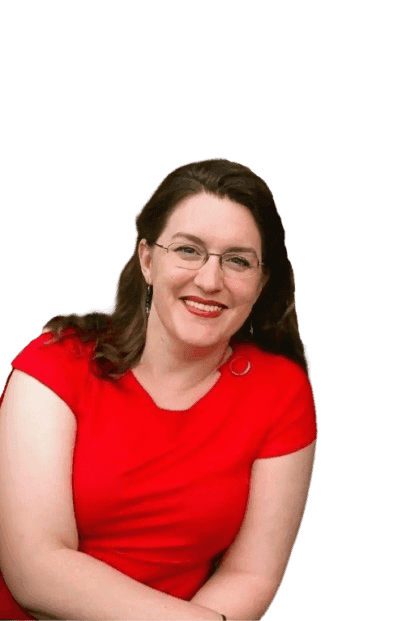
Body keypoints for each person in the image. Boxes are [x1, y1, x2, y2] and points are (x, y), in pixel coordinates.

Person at [0, 158, 317, 621]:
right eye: (189, 250)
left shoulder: (281, 391)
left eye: (237, 261)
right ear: (148, 260)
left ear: (261, 282)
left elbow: (252, 575)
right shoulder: (55, 363)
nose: (210, 281)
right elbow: (34, 570)